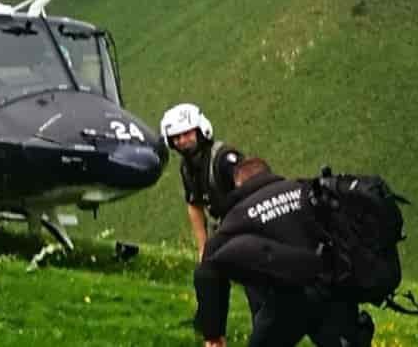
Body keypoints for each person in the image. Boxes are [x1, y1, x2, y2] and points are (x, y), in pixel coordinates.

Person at [194, 157, 375, 347]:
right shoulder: (306, 190)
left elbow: (207, 270)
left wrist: (213, 332)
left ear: (239, 185)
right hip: (334, 288)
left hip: (289, 300)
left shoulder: (238, 216)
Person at [160, 103, 243, 260]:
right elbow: (194, 204)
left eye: (186, 133)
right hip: (222, 229)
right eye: (176, 137)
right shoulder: (186, 167)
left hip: (245, 225)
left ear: (200, 130)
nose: (182, 141)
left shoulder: (223, 158)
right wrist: (203, 249)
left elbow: (251, 192)